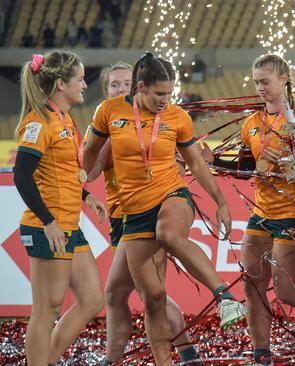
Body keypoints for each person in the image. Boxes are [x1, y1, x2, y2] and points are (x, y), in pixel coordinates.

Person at [84, 52, 246, 365]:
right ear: (140, 88)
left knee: (168, 233)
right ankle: (167, 360)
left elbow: (197, 163)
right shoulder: (108, 112)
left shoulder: (176, 116)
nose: (166, 100)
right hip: (132, 212)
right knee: (153, 298)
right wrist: (79, 184)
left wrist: (222, 202)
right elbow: (89, 159)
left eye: (170, 93)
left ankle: (225, 297)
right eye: (160, 94)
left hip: (172, 194)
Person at [85, 61, 202, 366]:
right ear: (107, 91)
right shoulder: (106, 122)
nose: (121, 89)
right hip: (120, 215)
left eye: (126, 83)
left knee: (142, 292)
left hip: (146, 213)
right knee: (120, 292)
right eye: (115, 85)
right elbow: (90, 172)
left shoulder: (159, 120)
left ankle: (183, 353)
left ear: (137, 86)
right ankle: (186, 354)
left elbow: (195, 157)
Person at [14, 51, 107, 365]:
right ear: (59, 84)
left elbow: (61, 172)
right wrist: (48, 221)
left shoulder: (64, 119)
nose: (84, 84)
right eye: (80, 79)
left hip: (68, 224)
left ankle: (42, 360)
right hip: (48, 227)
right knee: (47, 309)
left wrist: (86, 197)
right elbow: (21, 175)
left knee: (93, 299)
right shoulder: (39, 122)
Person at [228, 54, 295, 366]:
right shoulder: (251, 122)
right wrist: (203, 158)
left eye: (265, 82)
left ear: (284, 80)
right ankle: (261, 353)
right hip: (262, 212)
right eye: (256, 83)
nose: (260, 88)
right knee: (252, 284)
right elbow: (243, 166)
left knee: (287, 292)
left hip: (294, 213)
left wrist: (294, 164)